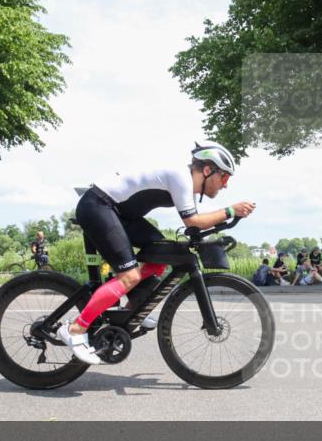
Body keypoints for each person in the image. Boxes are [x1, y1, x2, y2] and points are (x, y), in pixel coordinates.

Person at [57, 142, 255, 364]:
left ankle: (132, 310)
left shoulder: (185, 186)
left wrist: (225, 219)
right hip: (98, 206)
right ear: (208, 170)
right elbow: (193, 221)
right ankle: (75, 329)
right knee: (129, 276)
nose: (225, 186)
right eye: (225, 178)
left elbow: (196, 224)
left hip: (120, 214)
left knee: (161, 254)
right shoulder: (181, 178)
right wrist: (230, 211)